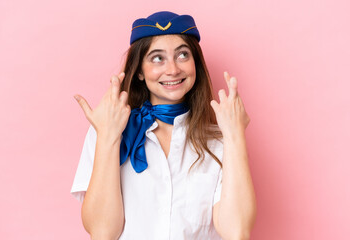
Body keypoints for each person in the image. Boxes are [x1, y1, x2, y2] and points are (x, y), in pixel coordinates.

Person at [71, 11, 256, 240]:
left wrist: (235, 136)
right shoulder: (108, 129)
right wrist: (108, 137)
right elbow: (102, 232)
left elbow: (236, 232)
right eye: (157, 58)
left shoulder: (220, 140)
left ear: (195, 64)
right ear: (139, 70)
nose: (172, 69)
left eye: (182, 55)